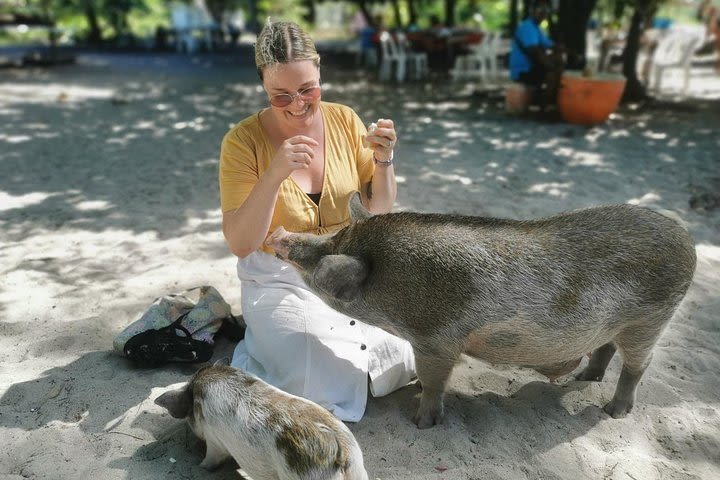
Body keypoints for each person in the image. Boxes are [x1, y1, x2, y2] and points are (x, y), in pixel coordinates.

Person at [218, 20, 416, 422]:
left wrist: (383, 160)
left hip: (349, 264)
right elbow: (241, 244)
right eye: (281, 96)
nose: (297, 104)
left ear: (320, 71)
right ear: (263, 87)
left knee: (415, 338)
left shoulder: (344, 119)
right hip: (279, 275)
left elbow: (378, 213)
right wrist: (273, 174)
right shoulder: (241, 142)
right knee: (311, 370)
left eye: (308, 88)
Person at [508, 0, 564, 113]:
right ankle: (544, 108)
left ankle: (550, 102)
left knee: (557, 62)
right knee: (552, 74)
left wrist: (571, 52)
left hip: (531, 67)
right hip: (522, 71)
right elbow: (534, 52)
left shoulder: (536, 28)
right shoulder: (527, 27)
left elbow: (552, 46)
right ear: (532, 11)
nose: (543, 13)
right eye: (540, 10)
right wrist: (551, 65)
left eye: (546, 11)